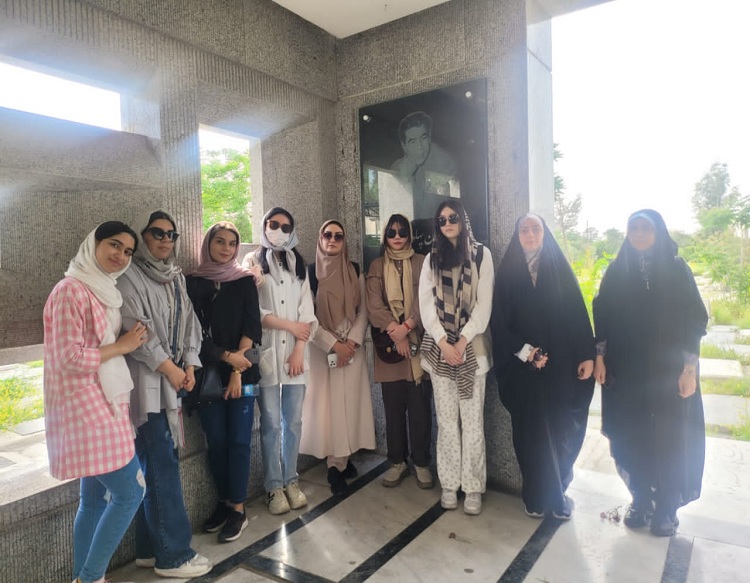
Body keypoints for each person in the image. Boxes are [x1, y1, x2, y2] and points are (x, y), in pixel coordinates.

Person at [43, 221, 147, 583]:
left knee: (93, 500)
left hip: (103, 400)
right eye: (114, 245)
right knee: (131, 491)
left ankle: (84, 577)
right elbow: (67, 357)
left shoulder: (102, 288)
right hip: (85, 407)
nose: (120, 256)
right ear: (94, 244)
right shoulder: (70, 290)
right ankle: (90, 578)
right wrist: (121, 346)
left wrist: (126, 341)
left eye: (128, 251)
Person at [593, 209, 708, 537]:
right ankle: (641, 499)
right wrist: (600, 357)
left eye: (646, 228)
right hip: (627, 372)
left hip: (669, 371)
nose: (640, 234)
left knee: (670, 436)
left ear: (658, 232)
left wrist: (689, 368)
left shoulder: (676, 269)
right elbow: (602, 315)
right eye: (634, 228)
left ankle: (667, 506)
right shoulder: (618, 270)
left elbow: (695, 319)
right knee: (632, 434)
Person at [117, 210, 212, 578]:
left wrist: (189, 364)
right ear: (143, 236)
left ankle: (149, 549)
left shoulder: (175, 277)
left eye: (171, 235)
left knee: (155, 465)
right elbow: (136, 330)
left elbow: (190, 323)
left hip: (173, 380)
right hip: (146, 383)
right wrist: (171, 369)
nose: (165, 240)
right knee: (161, 468)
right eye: (157, 233)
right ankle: (173, 556)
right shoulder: (129, 276)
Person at [491, 213, 595, 520]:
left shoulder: (559, 269)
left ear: (544, 233)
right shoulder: (508, 273)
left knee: (561, 429)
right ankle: (536, 497)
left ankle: (558, 493)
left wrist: (586, 355)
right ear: (517, 235)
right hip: (523, 369)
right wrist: (528, 353)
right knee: (530, 432)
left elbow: (577, 314)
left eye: (535, 228)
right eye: (524, 229)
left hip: (561, 366)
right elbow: (500, 323)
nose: (530, 234)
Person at [185, 222, 262, 543]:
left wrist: (236, 370)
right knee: (215, 442)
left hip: (242, 374)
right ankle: (224, 502)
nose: (226, 248)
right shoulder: (192, 282)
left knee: (240, 441)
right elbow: (191, 332)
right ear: (208, 244)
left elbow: (252, 327)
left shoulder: (244, 281)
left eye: (232, 243)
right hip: (206, 376)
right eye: (219, 241)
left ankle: (239, 509)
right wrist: (226, 358)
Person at [419, 201, 493, 515]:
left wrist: (461, 341)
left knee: (473, 423)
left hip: (472, 350)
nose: (447, 223)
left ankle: (473, 487)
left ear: (463, 220)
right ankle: (449, 483)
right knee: (447, 422)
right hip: (441, 353)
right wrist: (443, 342)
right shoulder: (431, 259)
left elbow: (484, 305)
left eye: (452, 218)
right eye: (441, 220)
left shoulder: (482, 255)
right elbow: (425, 306)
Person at [243, 207, 318, 515]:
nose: (279, 231)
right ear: (264, 226)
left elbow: (307, 311)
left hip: (296, 356)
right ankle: (273, 486)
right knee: (271, 423)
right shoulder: (251, 262)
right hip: (268, 355)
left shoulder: (298, 264)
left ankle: (291, 480)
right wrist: (290, 327)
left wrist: (300, 348)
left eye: (286, 227)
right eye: (273, 224)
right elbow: (254, 312)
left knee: (294, 421)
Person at [300, 220, 376, 495]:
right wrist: (333, 345)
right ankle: (335, 465)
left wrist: (352, 342)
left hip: (352, 348)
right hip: (323, 351)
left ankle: (343, 457)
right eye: (327, 235)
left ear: (344, 241)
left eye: (338, 236)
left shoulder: (354, 269)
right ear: (320, 239)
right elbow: (307, 316)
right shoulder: (310, 273)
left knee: (351, 404)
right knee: (328, 408)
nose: (332, 240)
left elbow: (364, 310)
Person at [366, 214, 433, 489]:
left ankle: (421, 463)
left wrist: (407, 327)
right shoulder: (377, 265)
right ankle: (397, 462)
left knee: (420, 409)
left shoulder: (422, 262)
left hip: (418, 344)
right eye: (391, 232)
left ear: (409, 235)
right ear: (385, 236)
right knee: (393, 409)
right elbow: (373, 304)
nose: (397, 236)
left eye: (402, 231)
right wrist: (396, 330)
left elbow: (426, 300)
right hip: (390, 347)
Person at [391, 111, 458, 219]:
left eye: (423, 138)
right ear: (404, 146)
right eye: (413, 141)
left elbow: (428, 214)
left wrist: (406, 180)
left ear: (429, 138)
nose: (420, 147)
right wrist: (405, 178)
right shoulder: (396, 169)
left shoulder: (445, 164)